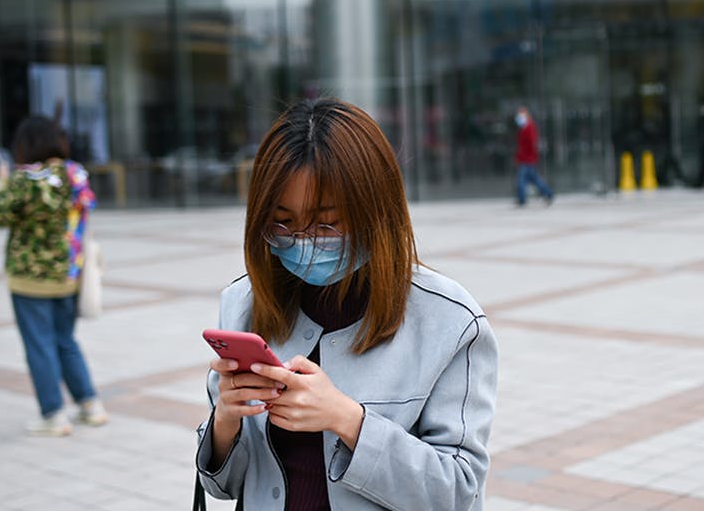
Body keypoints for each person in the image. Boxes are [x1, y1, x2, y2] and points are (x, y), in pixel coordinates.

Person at [196, 98, 498, 510]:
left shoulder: (450, 321)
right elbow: (222, 486)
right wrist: (226, 422)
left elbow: (459, 492)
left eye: (327, 222)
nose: (304, 240)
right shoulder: (244, 303)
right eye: (283, 221)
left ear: (375, 211)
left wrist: (348, 420)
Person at [0, 115, 107, 436]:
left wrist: (2, 181)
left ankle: (53, 414)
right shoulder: (75, 174)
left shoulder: (24, 180)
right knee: (65, 340)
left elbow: (0, 216)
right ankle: (90, 404)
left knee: (39, 344)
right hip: (69, 272)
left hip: (30, 278)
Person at [513, 105, 554, 206]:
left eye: (521, 115)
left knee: (521, 179)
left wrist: (528, 156)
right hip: (525, 158)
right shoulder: (523, 128)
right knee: (534, 179)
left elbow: (532, 143)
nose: (519, 118)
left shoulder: (529, 127)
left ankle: (522, 199)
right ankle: (548, 193)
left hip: (528, 159)